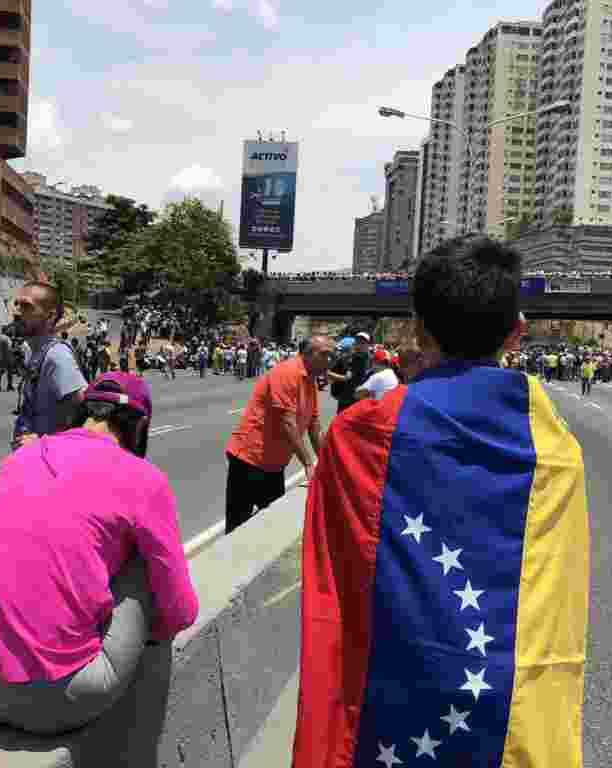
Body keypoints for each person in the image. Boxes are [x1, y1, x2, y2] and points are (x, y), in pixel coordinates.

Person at [291, 239, 588, 768]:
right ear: (516, 331)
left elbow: (335, 584)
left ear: (419, 329)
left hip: (391, 711)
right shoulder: (555, 448)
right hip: (512, 713)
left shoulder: (362, 433)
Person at [0, 372, 199, 735]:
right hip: (60, 699)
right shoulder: (144, 478)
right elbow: (180, 611)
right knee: (144, 560)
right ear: (140, 424)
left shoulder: (22, 457)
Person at [224, 335, 334, 535]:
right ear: (308, 354)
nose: (329, 360)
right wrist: (309, 464)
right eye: (324, 355)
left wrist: (326, 463)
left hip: (274, 464)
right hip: (250, 458)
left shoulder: (310, 380)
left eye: (331, 355)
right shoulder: (288, 372)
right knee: (238, 526)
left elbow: (314, 424)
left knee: (271, 525)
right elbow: (288, 423)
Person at [10, 282, 88, 451]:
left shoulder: (57, 356)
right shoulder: (34, 352)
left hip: (52, 462)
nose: (16, 312)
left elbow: (85, 412)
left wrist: (44, 440)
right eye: (16, 304)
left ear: (50, 316)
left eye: (26, 306)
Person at [328, 333, 371, 413]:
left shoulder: (372, 360)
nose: (359, 345)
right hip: (345, 401)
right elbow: (330, 373)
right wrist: (342, 378)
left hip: (363, 402)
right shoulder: (346, 358)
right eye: (357, 342)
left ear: (368, 345)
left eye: (362, 343)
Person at [0, 326, 16, 392]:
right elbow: (9, 348)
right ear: (6, 331)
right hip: (7, 356)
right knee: (10, 372)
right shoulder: (7, 338)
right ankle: (9, 385)